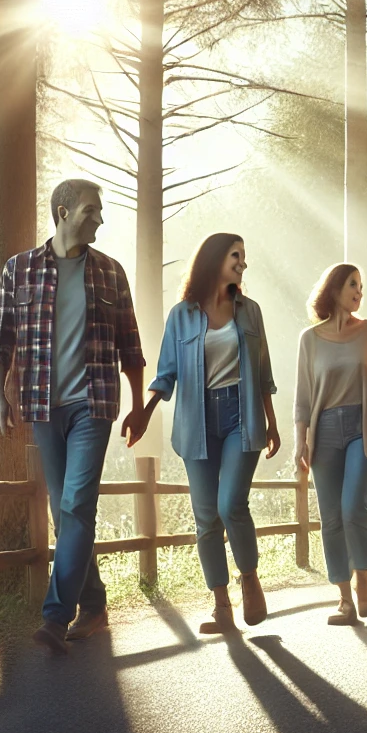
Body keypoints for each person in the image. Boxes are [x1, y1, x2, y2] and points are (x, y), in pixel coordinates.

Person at [0, 178, 149, 654]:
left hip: (93, 406)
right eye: (90, 210)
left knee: (76, 506)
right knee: (65, 513)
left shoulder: (110, 273)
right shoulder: (19, 270)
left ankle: (55, 617)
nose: (99, 219)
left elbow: (131, 346)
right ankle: (94, 604)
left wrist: (138, 406)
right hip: (41, 407)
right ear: (63, 212)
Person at [136, 233, 281, 634]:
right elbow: (166, 373)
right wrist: (144, 412)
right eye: (236, 256)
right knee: (205, 517)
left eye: (244, 256)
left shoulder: (250, 312)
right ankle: (221, 606)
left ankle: (249, 578)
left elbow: (263, 372)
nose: (243, 263)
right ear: (215, 260)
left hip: (241, 416)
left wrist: (271, 422)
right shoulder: (181, 315)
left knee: (230, 504)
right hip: (196, 422)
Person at [294, 264, 367, 626]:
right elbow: (303, 397)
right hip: (323, 431)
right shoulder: (310, 339)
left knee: (353, 506)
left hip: (363, 427)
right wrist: (300, 441)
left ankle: (364, 577)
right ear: (334, 288)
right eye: (353, 284)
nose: (359, 291)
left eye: (361, 286)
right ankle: (343, 598)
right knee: (330, 516)